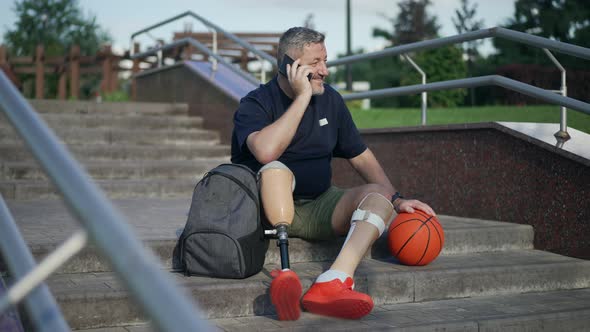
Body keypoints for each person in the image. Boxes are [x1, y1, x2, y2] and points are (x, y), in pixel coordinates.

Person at [230, 27, 435, 320]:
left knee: (378, 197)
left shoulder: (331, 101)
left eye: (325, 61)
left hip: (320, 204)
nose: (325, 70)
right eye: (316, 63)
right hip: (268, 210)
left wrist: (398, 199)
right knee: (275, 169)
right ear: (289, 66)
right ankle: (286, 274)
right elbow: (265, 152)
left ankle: (334, 281)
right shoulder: (256, 102)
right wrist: (301, 99)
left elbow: (361, 156)